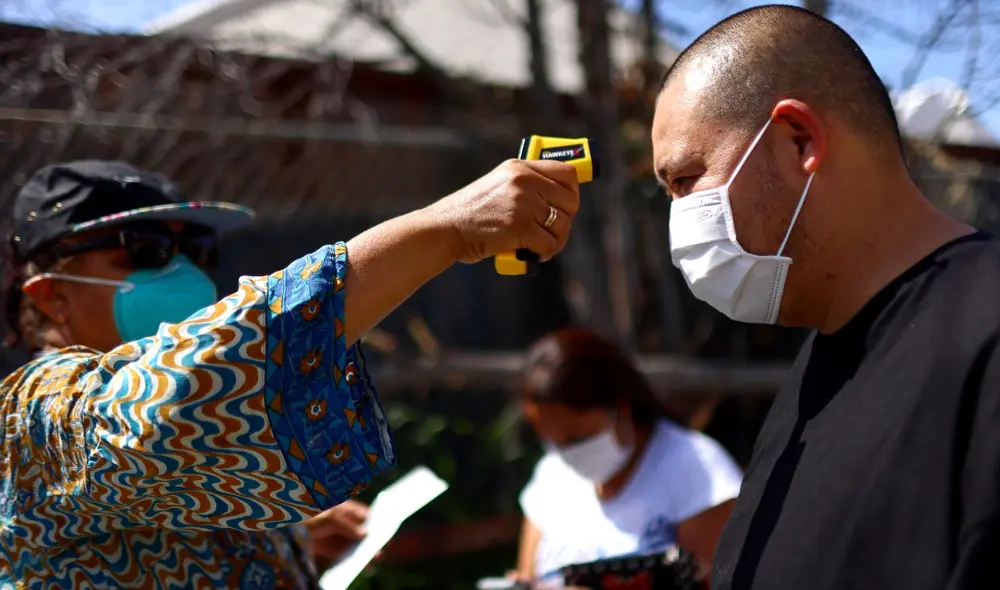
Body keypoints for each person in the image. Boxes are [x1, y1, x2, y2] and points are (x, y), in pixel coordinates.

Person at [0, 158, 579, 588]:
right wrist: (446, 230)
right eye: (145, 250)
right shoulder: (32, 409)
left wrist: (289, 541)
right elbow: (162, 412)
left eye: (193, 250)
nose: (180, 272)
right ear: (52, 296)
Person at [654, 4, 1000, 589]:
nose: (678, 216)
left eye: (686, 179)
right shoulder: (818, 368)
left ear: (798, 141)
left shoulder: (984, 335)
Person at [514, 328, 742, 587]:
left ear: (622, 407)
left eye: (578, 439)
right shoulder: (550, 477)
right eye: (551, 441)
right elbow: (528, 574)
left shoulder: (697, 472)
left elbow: (722, 580)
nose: (566, 455)